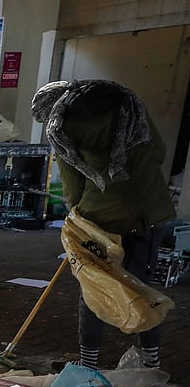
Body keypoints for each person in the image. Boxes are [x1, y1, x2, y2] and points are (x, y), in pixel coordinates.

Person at [31, 79, 175, 370]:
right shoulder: (128, 102)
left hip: (104, 218)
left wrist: (80, 221)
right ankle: (151, 364)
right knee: (141, 289)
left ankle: (89, 363)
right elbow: (158, 152)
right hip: (152, 210)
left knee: (95, 288)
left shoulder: (61, 127)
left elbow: (73, 189)